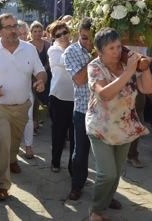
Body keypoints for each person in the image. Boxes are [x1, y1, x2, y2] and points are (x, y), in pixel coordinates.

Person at [0, 13, 47, 202]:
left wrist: (41, 80)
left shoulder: (29, 49)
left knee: (14, 142)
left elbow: (40, 70)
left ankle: (13, 159)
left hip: (22, 107)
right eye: (8, 27)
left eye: (15, 26)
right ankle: (2, 185)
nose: (13, 30)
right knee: (1, 143)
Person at [86, 28, 152, 221]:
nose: (117, 51)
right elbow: (104, 94)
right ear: (100, 52)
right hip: (100, 127)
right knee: (106, 174)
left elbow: (148, 88)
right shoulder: (95, 67)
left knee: (116, 174)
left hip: (125, 127)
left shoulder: (128, 64)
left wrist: (144, 67)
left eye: (118, 46)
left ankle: (103, 207)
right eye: (111, 48)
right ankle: (95, 211)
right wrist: (130, 71)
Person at [62, 17, 93, 201]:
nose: (88, 43)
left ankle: (106, 193)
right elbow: (80, 79)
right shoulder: (70, 52)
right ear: (78, 35)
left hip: (106, 110)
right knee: (80, 151)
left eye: (91, 38)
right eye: (84, 38)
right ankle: (76, 186)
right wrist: (96, 59)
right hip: (83, 109)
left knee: (107, 156)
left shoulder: (109, 48)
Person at [47, 20, 74, 173]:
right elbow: (67, 62)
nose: (63, 36)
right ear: (54, 37)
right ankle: (55, 161)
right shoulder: (53, 50)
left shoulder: (75, 46)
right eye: (58, 35)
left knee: (75, 135)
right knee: (59, 133)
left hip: (76, 97)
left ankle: (73, 164)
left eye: (65, 32)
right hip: (58, 97)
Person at [23, 21, 51, 159]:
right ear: (31, 33)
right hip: (30, 79)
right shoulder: (28, 46)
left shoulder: (47, 45)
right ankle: (33, 125)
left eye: (40, 31)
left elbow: (49, 61)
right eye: (35, 31)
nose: (38, 33)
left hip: (44, 76)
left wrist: (42, 71)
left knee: (46, 100)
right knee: (32, 104)